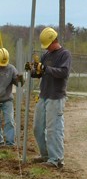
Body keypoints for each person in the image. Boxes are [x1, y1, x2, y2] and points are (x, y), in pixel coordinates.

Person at [28, 27, 72, 168]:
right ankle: (46, 155)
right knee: (37, 127)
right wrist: (34, 70)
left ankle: (56, 159)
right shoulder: (46, 55)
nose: (47, 48)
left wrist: (46, 68)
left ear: (54, 41)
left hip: (56, 96)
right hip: (44, 95)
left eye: (48, 45)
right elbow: (40, 74)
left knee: (54, 129)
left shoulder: (65, 54)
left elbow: (63, 73)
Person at [0, 47, 21, 147]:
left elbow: (18, 83)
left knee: (9, 121)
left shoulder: (11, 69)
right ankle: (0, 142)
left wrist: (20, 79)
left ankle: (10, 143)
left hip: (7, 100)